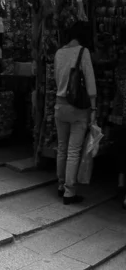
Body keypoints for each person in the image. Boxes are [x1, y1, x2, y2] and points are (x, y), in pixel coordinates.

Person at [54, 21, 97, 205]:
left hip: (59, 105)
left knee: (62, 147)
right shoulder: (83, 52)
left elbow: (57, 78)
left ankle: (60, 185)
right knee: (73, 150)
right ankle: (70, 193)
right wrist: (93, 108)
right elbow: (90, 83)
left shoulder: (59, 53)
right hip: (78, 109)